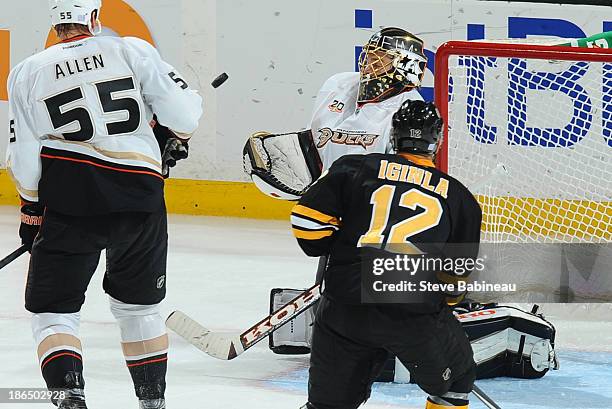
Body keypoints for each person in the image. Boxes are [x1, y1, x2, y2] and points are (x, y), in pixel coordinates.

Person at [6, 1, 203, 408]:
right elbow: (184, 116)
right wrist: (169, 132)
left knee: (53, 311)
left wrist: (31, 208)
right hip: (140, 199)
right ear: (94, 18)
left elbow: (23, 158)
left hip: (70, 203)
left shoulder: (27, 71)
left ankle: (70, 397)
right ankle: (152, 402)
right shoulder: (131, 50)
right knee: (139, 307)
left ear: (56, 21)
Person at [290, 100, 482, 409]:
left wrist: (336, 249)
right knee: (456, 384)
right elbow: (453, 280)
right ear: (437, 141)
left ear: (393, 136)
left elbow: (307, 225)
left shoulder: (355, 167)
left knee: (328, 404)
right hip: (411, 313)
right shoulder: (460, 199)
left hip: (345, 307)